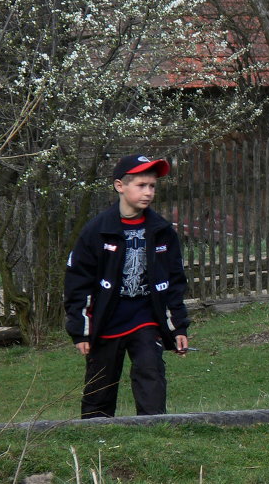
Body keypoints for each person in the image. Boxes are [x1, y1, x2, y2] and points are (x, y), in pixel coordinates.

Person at [63, 154, 190, 418]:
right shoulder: (97, 231)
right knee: (100, 384)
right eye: (141, 185)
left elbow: (174, 282)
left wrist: (177, 326)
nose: (148, 192)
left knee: (150, 372)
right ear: (120, 186)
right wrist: (81, 330)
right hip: (106, 320)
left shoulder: (162, 231)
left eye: (152, 186)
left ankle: (154, 429)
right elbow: (78, 282)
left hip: (145, 317)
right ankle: (95, 434)